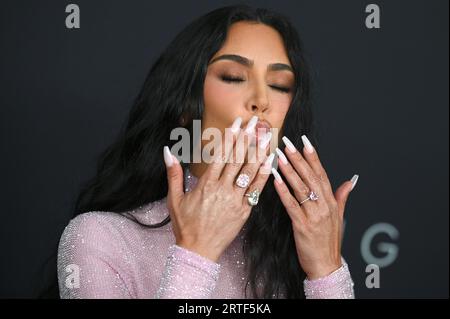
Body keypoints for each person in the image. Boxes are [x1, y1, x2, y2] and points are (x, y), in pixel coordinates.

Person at [57, 5, 358, 299]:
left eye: (280, 85)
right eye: (233, 77)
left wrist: (326, 273)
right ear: (186, 104)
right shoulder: (99, 238)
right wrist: (195, 253)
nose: (261, 100)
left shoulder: (296, 244)